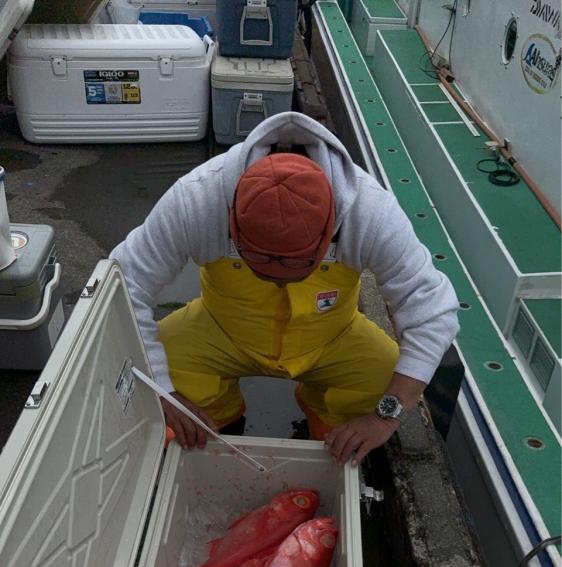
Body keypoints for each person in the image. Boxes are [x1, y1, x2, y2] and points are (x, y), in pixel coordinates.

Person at [111, 112, 459, 466]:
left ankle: (332, 434)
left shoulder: (370, 212)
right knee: (149, 372)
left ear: (329, 231)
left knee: (388, 378)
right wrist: (163, 390)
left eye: (293, 266)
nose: (277, 279)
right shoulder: (197, 198)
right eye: (259, 261)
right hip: (221, 330)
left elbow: (433, 311)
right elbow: (124, 282)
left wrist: (385, 417)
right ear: (232, 222)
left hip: (331, 338)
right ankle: (213, 425)